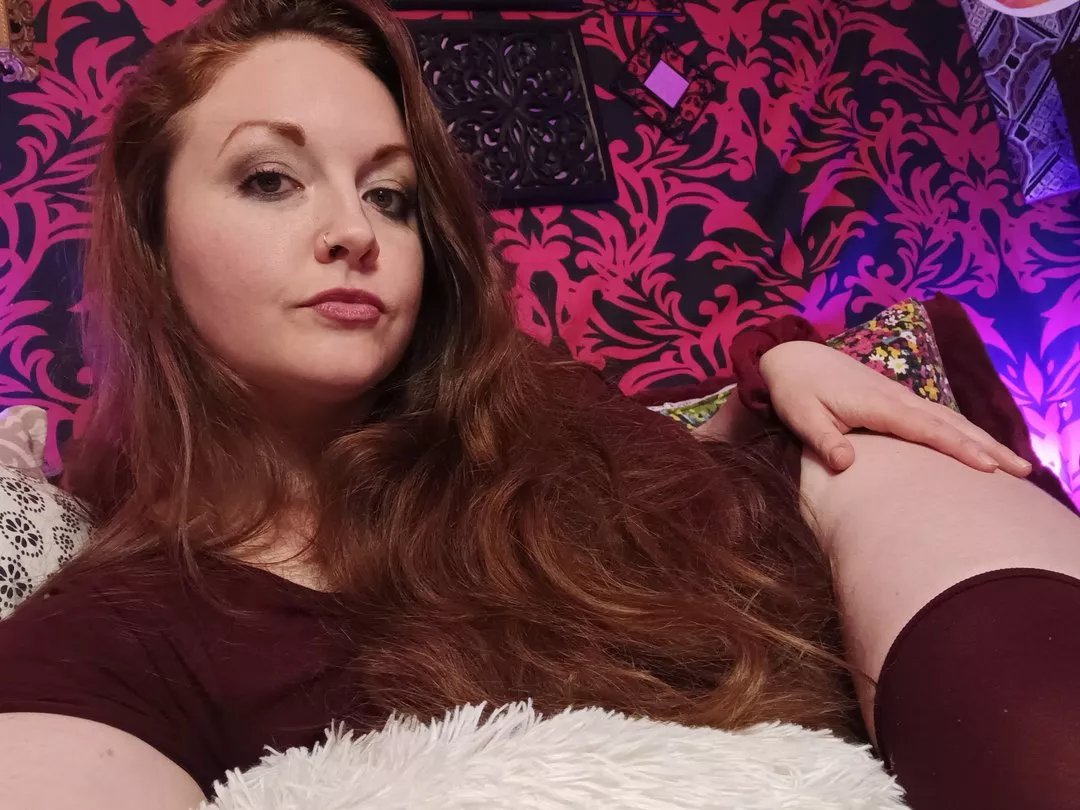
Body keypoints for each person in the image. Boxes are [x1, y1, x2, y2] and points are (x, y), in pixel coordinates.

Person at [0, 1, 1076, 808]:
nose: (356, 232)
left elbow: (682, 453)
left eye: (391, 195)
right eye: (270, 179)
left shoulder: (528, 421)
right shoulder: (113, 630)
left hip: (820, 522)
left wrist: (778, 367)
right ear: (152, 237)